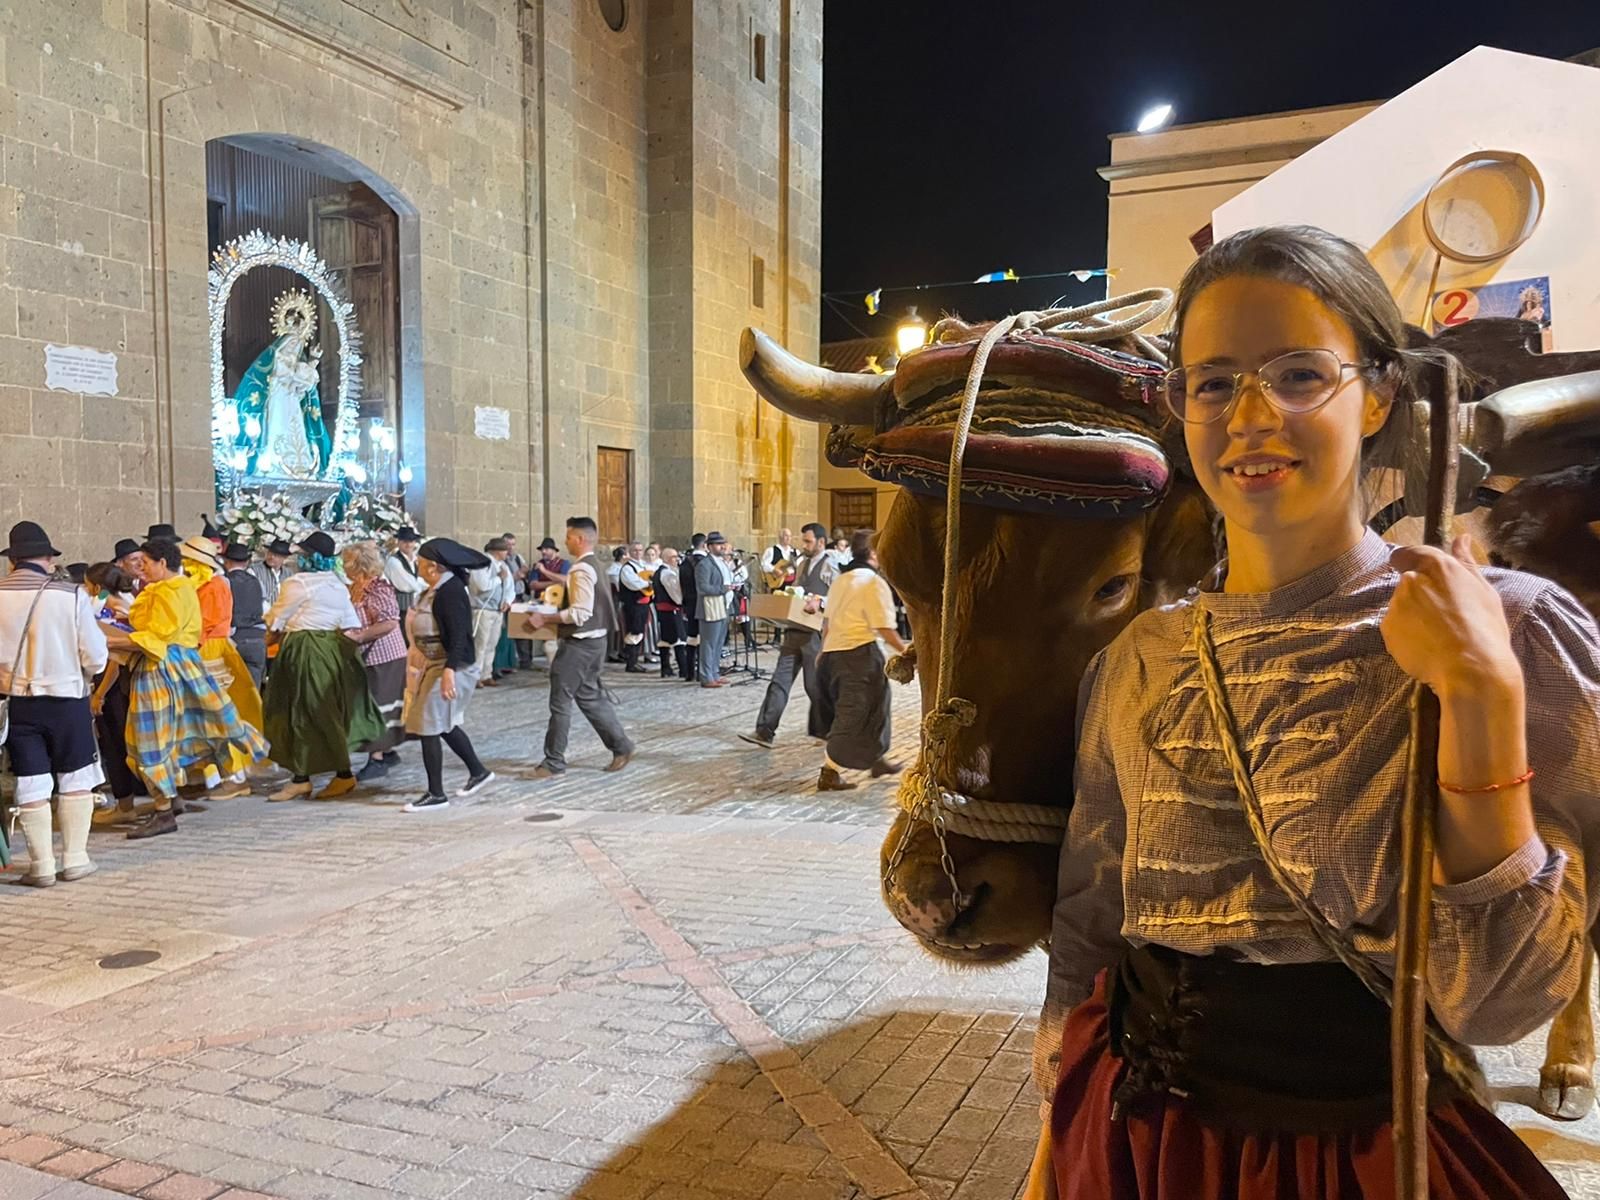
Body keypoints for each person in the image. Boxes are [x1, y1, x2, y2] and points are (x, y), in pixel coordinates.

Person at [1024, 225, 1597, 1200]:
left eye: (1297, 374)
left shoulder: (1510, 628)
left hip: (1358, 1155)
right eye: (1211, 382)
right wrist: (1057, 1086)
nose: (1250, 414)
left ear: (1375, 392)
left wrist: (1481, 695)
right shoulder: (1138, 658)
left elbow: (1499, 1006)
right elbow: (1095, 895)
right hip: (1131, 1134)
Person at [104, 538, 267, 839]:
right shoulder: (177, 588)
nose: (143, 569)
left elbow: (157, 637)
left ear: (162, 563)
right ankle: (170, 799)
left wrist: (110, 639)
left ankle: (164, 810)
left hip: (160, 668)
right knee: (172, 734)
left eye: (147, 563)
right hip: (179, 664)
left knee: (151, 738)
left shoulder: (172, 591)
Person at [0, 521, 109, 884]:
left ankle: (41, 865)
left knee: (31, 778)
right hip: (67, 698)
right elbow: (94, 654)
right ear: (47, 559)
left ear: (13, 561)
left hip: (17, 701)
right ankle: (75, 859)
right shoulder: (71, 594)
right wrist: (89, 673)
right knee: (76, 775)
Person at [261, 531, 384, 801]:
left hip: (304, 650)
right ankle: (302, 777)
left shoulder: (298, 583)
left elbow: (276, 619)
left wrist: (268, 637)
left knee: (304, 712)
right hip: (331, 649)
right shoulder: (338, 583)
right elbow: (350, 622)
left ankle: (342, 774)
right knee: (318, 712)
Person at [525, 516, 635, 778]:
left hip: (580, 644)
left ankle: (553, 761)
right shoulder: (593, 565)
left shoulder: (581, 569)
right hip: (596, 642)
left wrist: (545, 617)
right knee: (589, 696)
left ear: (579, 539)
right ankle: (621, 745)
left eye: (568, 537)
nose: (565, 541)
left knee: (560, 702)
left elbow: (579, 613)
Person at [400, 538, 496, 811]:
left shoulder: (450, 591)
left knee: (427, 723)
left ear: (433, 567)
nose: (417, 565)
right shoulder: (436, 589)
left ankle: (436, 793)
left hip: (451, 665)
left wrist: (450, 671)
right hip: (436, 663)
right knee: (444, 723)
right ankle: (478, 772)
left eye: (420, 562)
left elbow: (459, 637)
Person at [812, 529, 905, 790]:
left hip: (836, 653)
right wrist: (907, 652)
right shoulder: (873, 582)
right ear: (874, 553)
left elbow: (827, 621)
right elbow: (885, 628)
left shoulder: (842, 580)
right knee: (852, 715)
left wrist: (823, 652)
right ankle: (829, 772)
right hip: (858, 655)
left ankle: (875, 759)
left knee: (878, 705)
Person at [741, 523, 837, 749]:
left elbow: (841, 596)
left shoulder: (831, 565)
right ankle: (765, 730)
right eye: (803, 540)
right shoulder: (802, 563)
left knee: (814, 686)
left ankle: (835, 731)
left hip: (815, 634)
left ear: (821, 542)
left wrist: (821, 601)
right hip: (794, 630)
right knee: (779, 681)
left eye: (808, 541)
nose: (803, 545)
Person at [180, 537, 263, 793]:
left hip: (210, 649)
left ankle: (233, 775)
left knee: (218, 713)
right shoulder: (204, 583)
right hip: (205, 647)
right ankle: (207, 770)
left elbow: (204, 623)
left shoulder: (213, 585)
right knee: (200, 715)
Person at [83, 561, 147, 825]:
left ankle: (125, 804)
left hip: (114, 684)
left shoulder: (112, 609)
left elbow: (114, 658)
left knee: (116, 742)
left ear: (97, 587)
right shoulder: (130, 602)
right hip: (128, 681)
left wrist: (99, 694)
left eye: (88, 587)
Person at [342, 540, 408, 783]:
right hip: (366, 656)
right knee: (373, 703)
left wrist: (359, 636)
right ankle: (388, 751)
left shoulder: (378, 588)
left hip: (384, 655)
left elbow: (390, 621)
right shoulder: (355, 588)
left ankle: (377, 758)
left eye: (346, 563)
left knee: (379, 704)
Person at [469, 537, 516, 687]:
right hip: (483, 609)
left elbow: (510, 587)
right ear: (497, 551)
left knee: (491, 644)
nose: (507, 553)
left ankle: (486, 674)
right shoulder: (481, 564)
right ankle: (475, 676)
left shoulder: (503, 566)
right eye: (504, 550)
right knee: (480, 644)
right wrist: (498, 578)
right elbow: (482, 585)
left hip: (497, 610)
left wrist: (507, 601)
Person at [222, 542, 267, 687]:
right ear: (247, 562)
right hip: (258, 639)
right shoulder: (256, 581)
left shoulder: (223, 582)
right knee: (253, 691)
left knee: (232, 691)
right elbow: (265, 607)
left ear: (226, 561)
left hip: (234, 639)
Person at [694, 532, 735, 688]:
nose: (722, 546)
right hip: (710, 607)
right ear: (709, 547)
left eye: (723, 543)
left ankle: (715, 672)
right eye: (718, 544)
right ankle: (706, 676)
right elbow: (702, 588)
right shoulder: (704, 564)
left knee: (718, 643)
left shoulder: (722, 562)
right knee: (708, 643)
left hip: (723, 605)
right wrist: (722, 589)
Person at [653, 547, 690, 681]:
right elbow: (675, 594)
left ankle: (666, 668)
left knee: (666, 640)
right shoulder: (667, 574)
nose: (677, 560)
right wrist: (682, 602)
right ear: (668, 559)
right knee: (678, 639)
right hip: (671, 610)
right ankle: (683, 669)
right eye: (675, 557)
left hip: (664, 611)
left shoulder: (662, 572)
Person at [618, 541, 653, 674]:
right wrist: (648, 583)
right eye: (634, 550)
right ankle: (631, 663)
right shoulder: (628, 568)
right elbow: (634, 584)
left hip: (643, 604)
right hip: (633, 604)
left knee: (639, 632)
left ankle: (634, 661)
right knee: (634, 632)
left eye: (639, 550)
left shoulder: (642, 566)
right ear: (629, 552)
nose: (637, 553)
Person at [384, 526, 426, 633]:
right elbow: (407, 585)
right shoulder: (394, 562)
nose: (408, 544)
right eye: (404, 541)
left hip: (414, 608)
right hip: (401, 609)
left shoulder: (415, 560)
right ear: (398, 542)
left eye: (411, 541)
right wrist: (429, 586)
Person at [679, 533, 706, 682]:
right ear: (704, 545)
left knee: (691, 636)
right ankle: (703, 671)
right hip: (704, 603)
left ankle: (689, 672)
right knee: (705, 637)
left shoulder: (684, 563)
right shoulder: (706, 562)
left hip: (689, 603)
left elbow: (680, 585)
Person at [252, 538, 296, 611]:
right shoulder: (255, 570)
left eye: (276, 555)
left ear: (284, 557)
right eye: (270, 553)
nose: (272, 557)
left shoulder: (289, 574)